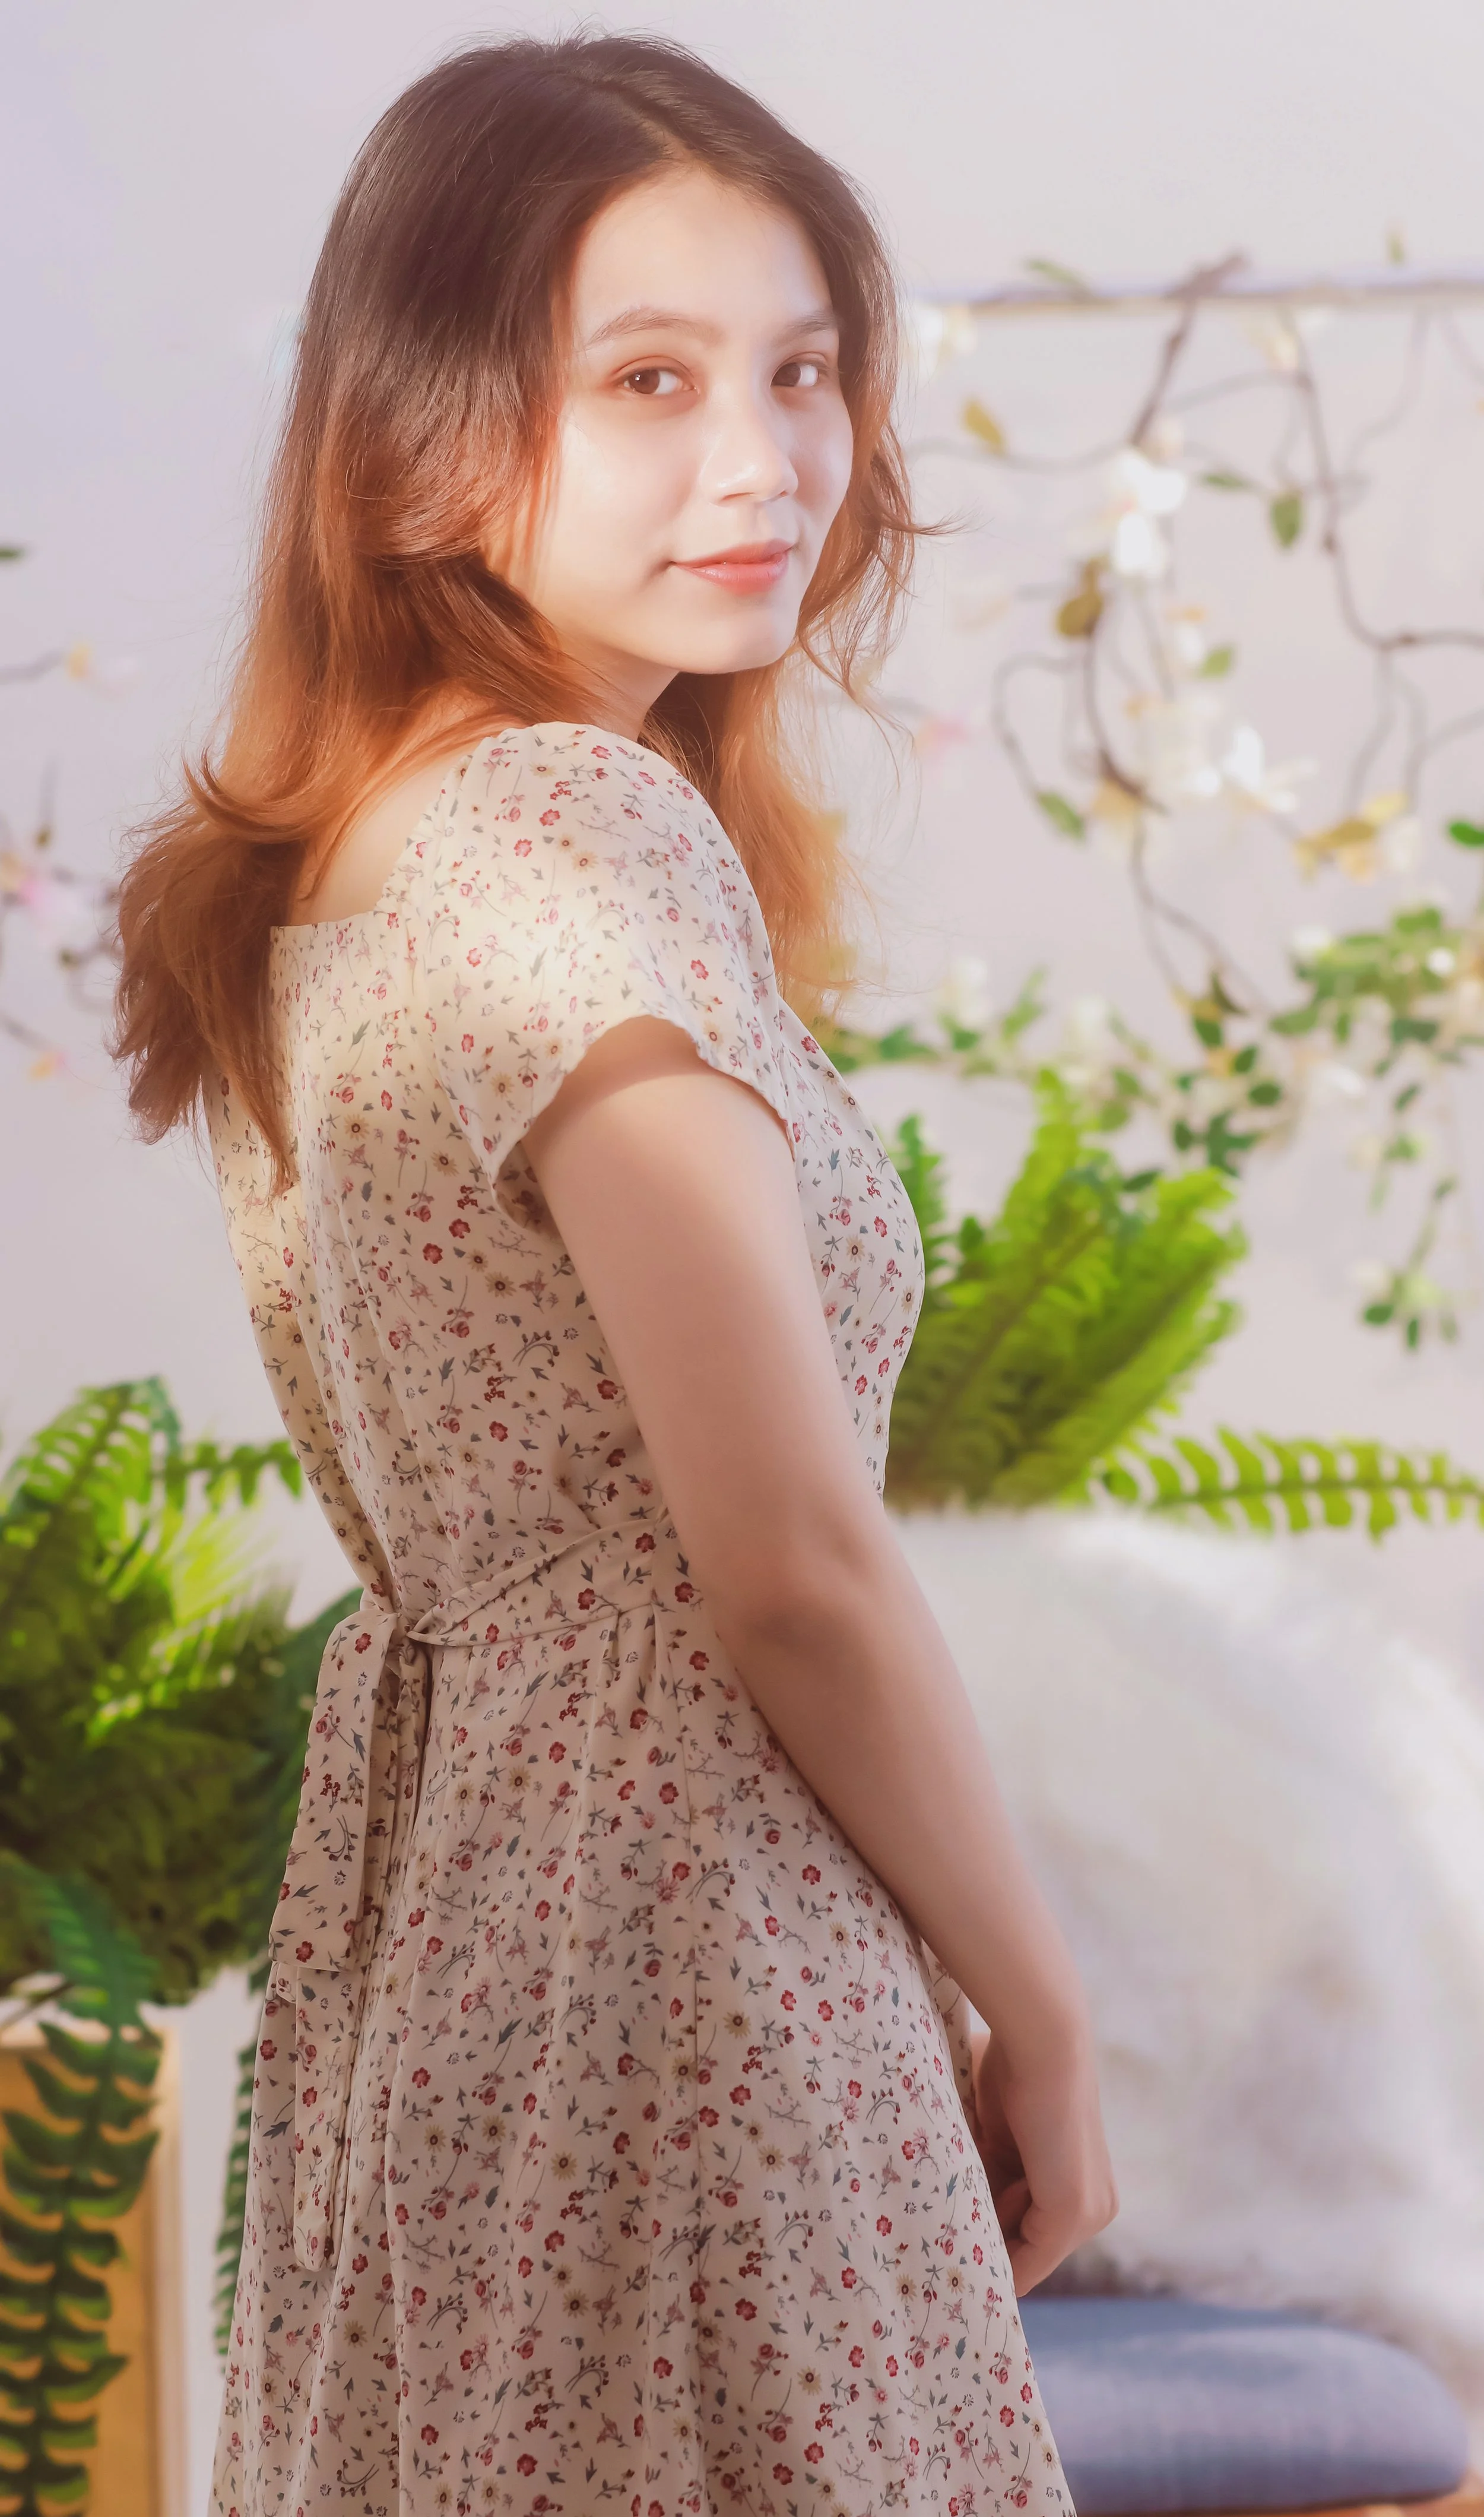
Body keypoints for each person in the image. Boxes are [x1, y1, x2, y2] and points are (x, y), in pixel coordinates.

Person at [114, 33, 1114, 2515]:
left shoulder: (343, 852)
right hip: (694, 1935)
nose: (765, 462)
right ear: (435, 435)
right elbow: (780, 1563)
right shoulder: (567, 826)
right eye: (647, 382)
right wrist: (1049, 2006)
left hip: (475, 1921)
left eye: (799, 373)